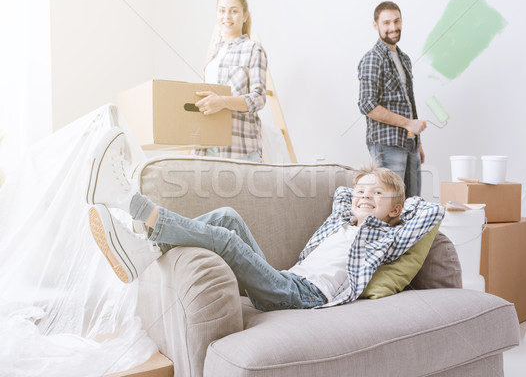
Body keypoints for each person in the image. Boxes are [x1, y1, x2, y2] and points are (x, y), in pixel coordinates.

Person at [86, 128, 444, 311]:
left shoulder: (382, 236)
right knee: (228, 218)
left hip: (305, 297)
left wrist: (392, 198)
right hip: (288, 278)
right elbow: (343, 196)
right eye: (361, 192)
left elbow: (430, 211)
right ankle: (147, 252)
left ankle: (129, 202)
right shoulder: (343, 221)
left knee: (226, 242)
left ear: (395, 210)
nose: (365, 197)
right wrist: (363, 190)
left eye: (376, 195)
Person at [358, 1, 427, 198]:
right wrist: (408, 124)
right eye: (386, 22)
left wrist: (417, 143)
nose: (393, 27)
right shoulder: (373, 58)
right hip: (387, 144)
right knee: (389, 206)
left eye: (397, 21)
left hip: (409, 144)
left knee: (412, 205)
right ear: (375, 25)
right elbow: (367, 104)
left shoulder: (403, 58)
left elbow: (408, 102)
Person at [194, 0, 267, 162]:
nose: (227, 15)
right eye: (222, 10)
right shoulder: (214, 53)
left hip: (239, 150)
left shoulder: (252, 49)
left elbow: (259, 98)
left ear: (245, 16)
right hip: (207, 148)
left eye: (234, 11)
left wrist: (222, 102)